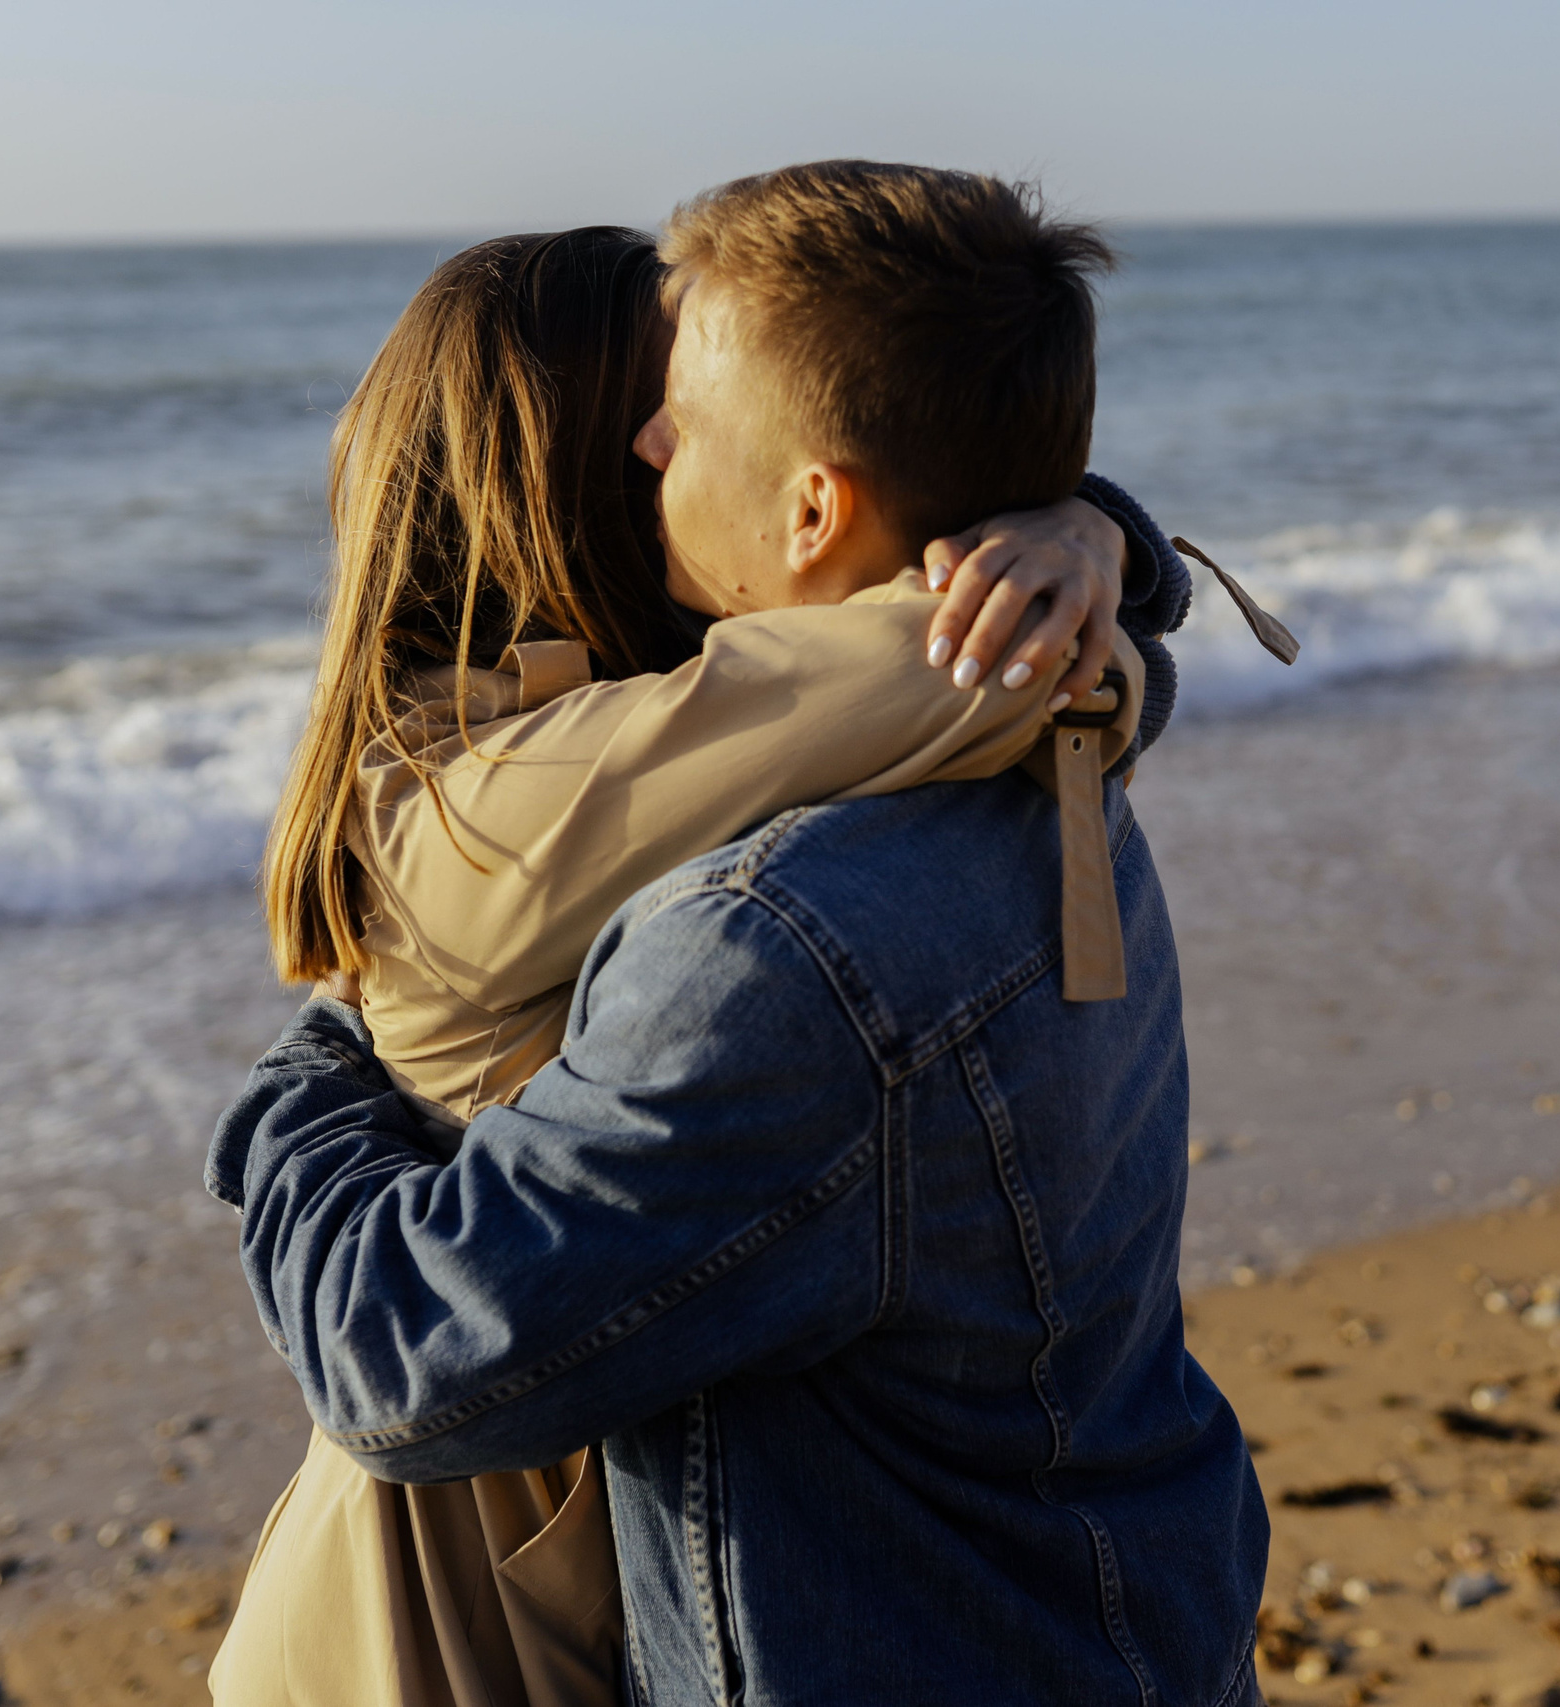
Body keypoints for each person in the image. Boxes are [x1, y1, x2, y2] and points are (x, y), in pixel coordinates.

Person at [213, 161, 1271, 1705]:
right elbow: (945, 666)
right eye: (653, 420)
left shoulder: (780, 907)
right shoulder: (584, 813)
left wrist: (1081, 542)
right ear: (591, 496)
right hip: (447, 1636)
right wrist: (1081, 561)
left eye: (688, 417)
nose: (664, 443)